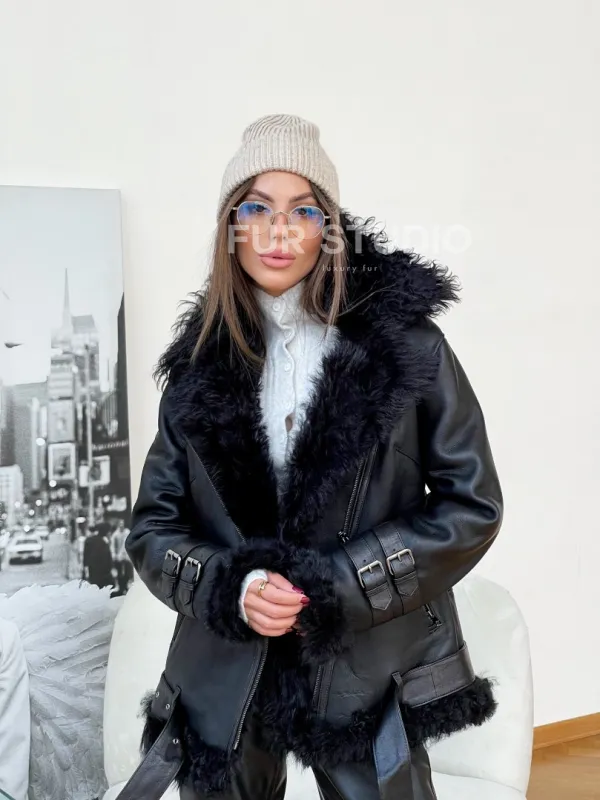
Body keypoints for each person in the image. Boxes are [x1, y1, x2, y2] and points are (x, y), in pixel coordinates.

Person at [122, 114, 503, 800]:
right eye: (255, 208)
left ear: (329, 228)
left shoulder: (407, 350)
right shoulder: (196, 372)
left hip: (365, 670)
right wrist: (235, 588)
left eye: (303, 210)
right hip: (224, 674)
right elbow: (153, 528)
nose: (278, 231)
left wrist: (335, 587)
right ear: (230, 227)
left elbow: (471, 506)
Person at [82, 522, 113, 590]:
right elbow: (109, 558)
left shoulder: (89, 540)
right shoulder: (104, 541)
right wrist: (110, 569)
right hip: (103, 572)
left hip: (92, 570)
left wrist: (85, 570)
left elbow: (85, 557)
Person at [110, 519, 132, 595]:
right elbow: (112, 545)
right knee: (119, 573)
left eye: (122, 523)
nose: (121, 525)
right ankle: (121, 587)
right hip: (118, 557)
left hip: (126, 556)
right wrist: (114, 554)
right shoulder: (115, 534)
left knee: (127, 572)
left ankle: (125, 586)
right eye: (120, 523)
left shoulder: (127, 532)